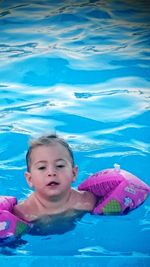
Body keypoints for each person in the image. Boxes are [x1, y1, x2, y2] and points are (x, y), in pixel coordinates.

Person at [12, 133, 97, 235]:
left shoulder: (87, 201)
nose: (51, 172)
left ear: (73, 173)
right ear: (30, 179)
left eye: (60, 165)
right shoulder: (23, 213)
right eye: (42, 167)